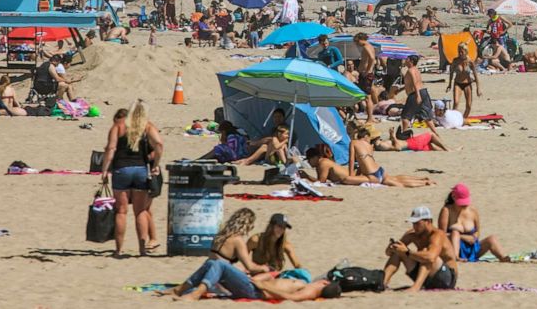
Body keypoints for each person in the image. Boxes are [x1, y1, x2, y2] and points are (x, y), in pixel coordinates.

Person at [100, 99, 165, 256]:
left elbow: (111, 148)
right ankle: (142, 250)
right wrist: (156, 164)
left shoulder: (118, 127)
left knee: (121, 211)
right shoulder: (146, 127)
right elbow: (159, 144)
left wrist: (104, 170)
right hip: (141, 170)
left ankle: (119, 250)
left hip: (121, 170)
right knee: (141, 211)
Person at [165, 263, 341, 301]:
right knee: (212, 264)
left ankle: (194, 294)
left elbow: (290, 298)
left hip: (255, 291)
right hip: (255, 286)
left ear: (324, 284)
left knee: (220, 265)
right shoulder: (309, 285)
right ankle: (179, 290)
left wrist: (263, 285)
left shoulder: (311, 291)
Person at [382, 206, 458, 292]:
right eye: (413, 223)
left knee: (426, 252)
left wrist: (407, 252)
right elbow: (388, 253)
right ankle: (383, 283)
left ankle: (416, 287)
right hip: (427, 277)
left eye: (417, 223)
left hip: (446, 278)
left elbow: (431, 257)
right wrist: (392, 248)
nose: (414, 226)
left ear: (428, 221)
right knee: (398, 252)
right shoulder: (412, 234)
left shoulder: (437, 235)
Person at [437, 183, 509, 262]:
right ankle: (456, 257)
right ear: (453, 197)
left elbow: (477, 231)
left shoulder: (473, 210)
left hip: (472, 248)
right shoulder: (446, 211)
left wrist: (474, 238)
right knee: (455, 233)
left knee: (492, 239)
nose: (464, 205)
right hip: (452, 248)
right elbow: (441, 235)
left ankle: (503, 257)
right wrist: (461, 237)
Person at [350, 128, 435, 186]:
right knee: (396, 178)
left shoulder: (354, 143)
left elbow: (352, 160)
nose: (369, 141)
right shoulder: (370, 147)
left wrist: (351, 175)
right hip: (379, 170)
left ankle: (424, 183)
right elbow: (367, 161)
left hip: (373, 175)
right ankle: (422, 179)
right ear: (365, 137)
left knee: (400, 184)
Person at [446, 42, 479, 118]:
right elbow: (451, 73)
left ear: (466, 52)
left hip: (467, 83)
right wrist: (450, 84)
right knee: (456, 102)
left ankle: (463, 119)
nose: (460, 53)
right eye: (459, 51)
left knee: (469, 105)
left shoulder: (470, 62)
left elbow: (475, 75)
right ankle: (453, 118)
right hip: (458, 83)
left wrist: (478, 88)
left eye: (462, 52)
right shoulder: (455, 61)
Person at [354, 33, 377, 123]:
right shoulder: (369, 46)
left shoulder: (367, 46)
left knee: (367, 97)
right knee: (367, 96)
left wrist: (367, 70)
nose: (356, 44)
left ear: (360, 39)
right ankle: (370, 117)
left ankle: (370, 118)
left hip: (366, 74)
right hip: (366, 74)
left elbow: (372, 59)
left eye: (356, 41)